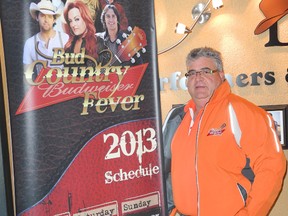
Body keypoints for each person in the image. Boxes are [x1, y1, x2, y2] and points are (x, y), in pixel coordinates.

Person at [162, 47, 287, 216]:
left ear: (220, 75)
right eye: (191, 73)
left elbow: (272, 167)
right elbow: (166, 170)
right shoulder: (177, 118)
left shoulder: (244, 112)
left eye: (205, 71)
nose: (198, 78)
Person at [23, 0, 69, 74]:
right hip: (40, 84)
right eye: (42, 15)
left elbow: (72, 67)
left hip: (62, 84)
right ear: (37, 18)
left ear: (54, 20)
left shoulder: (65, 39)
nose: (46, 20)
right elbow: (27, 73)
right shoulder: (30, 43)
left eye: (49, 16)